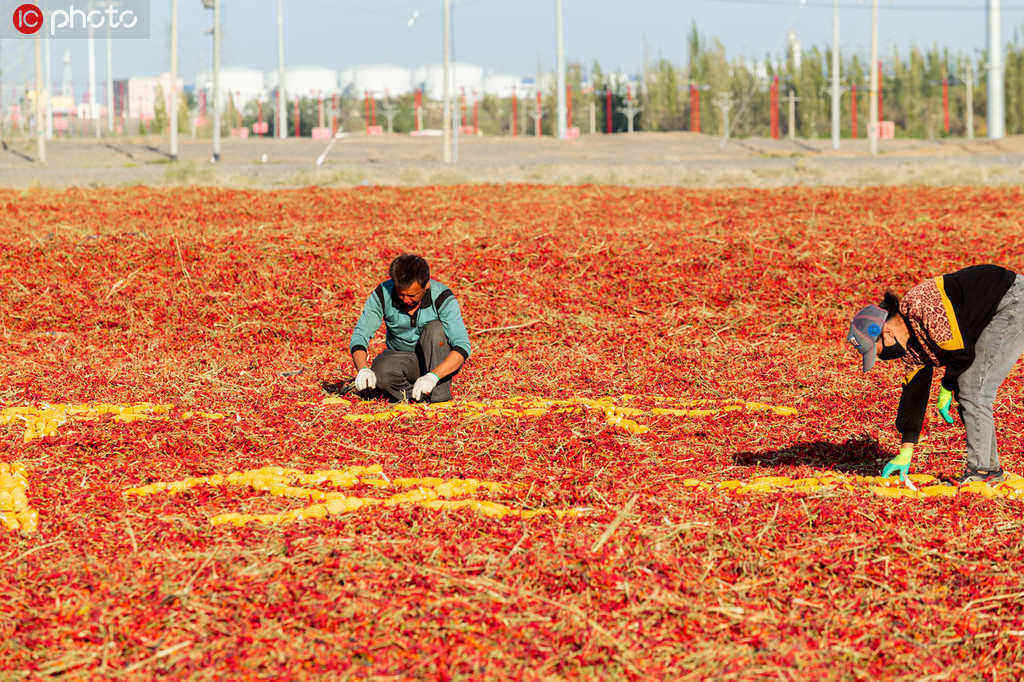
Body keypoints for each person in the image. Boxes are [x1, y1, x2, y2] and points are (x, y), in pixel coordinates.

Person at [847, 264, 1024, 485]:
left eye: (878, 351)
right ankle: (989, 470)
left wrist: (947, 386)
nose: (883, 359)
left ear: (887, 332)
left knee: (973, 388)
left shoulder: (921, 306)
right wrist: (906, 450)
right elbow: (914, 394)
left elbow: (961, 352)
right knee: (970, 387)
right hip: (988, 315)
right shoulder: (910, 347)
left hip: (1011, 301)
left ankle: (981, 472)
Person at [348, 254, 470, 403]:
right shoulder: (383, 293)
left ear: (426, 286)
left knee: (436, 329)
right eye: (401, 294)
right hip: (401, 357)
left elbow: (462, 346)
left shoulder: (441, 297)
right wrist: (363, 369)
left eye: (412, 295)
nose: (405, 300)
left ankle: (439, 398)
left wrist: (433, 376)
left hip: (436, 358)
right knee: (380, 372)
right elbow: (361, 335)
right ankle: (415, 396)